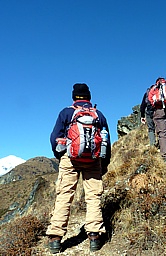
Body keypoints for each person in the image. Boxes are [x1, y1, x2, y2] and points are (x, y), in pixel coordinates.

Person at [46, 83, 111, 254]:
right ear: (89, 97)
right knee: (93, 196)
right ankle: (94, 237)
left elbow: (54, 138)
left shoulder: (66, 112)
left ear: (74, 97)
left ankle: (55, 238)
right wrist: (104, 164)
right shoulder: (99, 114)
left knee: (64, 196)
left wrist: (61, 156)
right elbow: (107, 142)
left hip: (70, 159)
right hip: (94, 160)